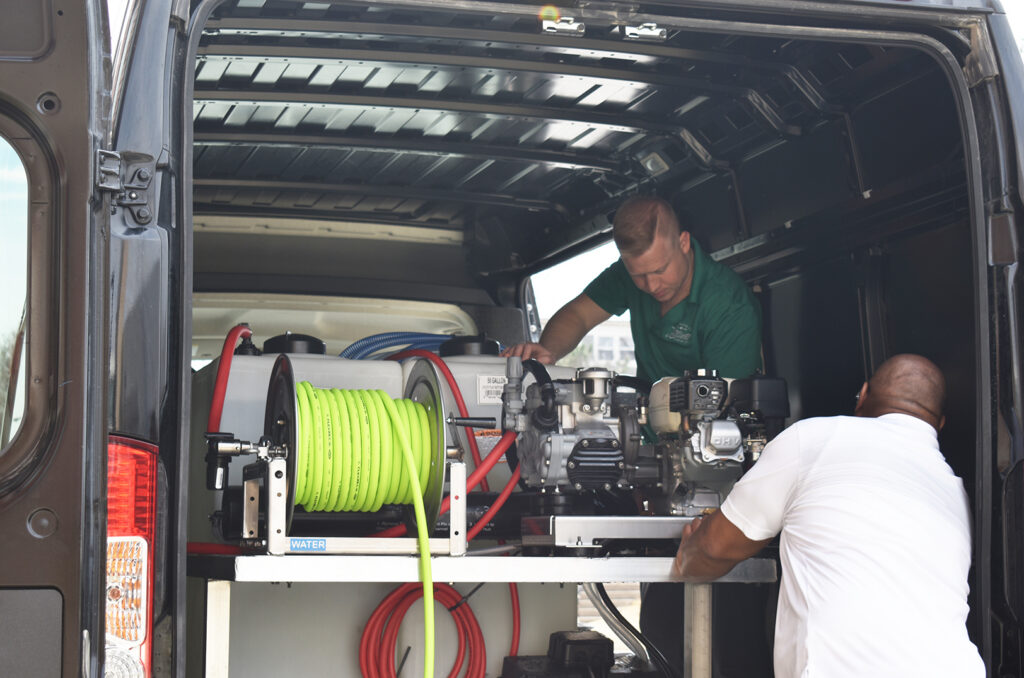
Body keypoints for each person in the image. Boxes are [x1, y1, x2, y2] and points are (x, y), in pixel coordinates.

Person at [673, 354, 984, 678]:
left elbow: (712, 549)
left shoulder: (815, 439)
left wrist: (689, 556)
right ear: (940, 424)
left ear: (863, 395)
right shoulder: (956, 492)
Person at [503, 195, 761, 382]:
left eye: (660, 270)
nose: (651, 285)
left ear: (683, 243)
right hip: (645, 431)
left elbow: (725, 401)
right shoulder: (625, 276)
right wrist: (548, 353)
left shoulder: (729, 305)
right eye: (639, 275)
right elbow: (578, 315)